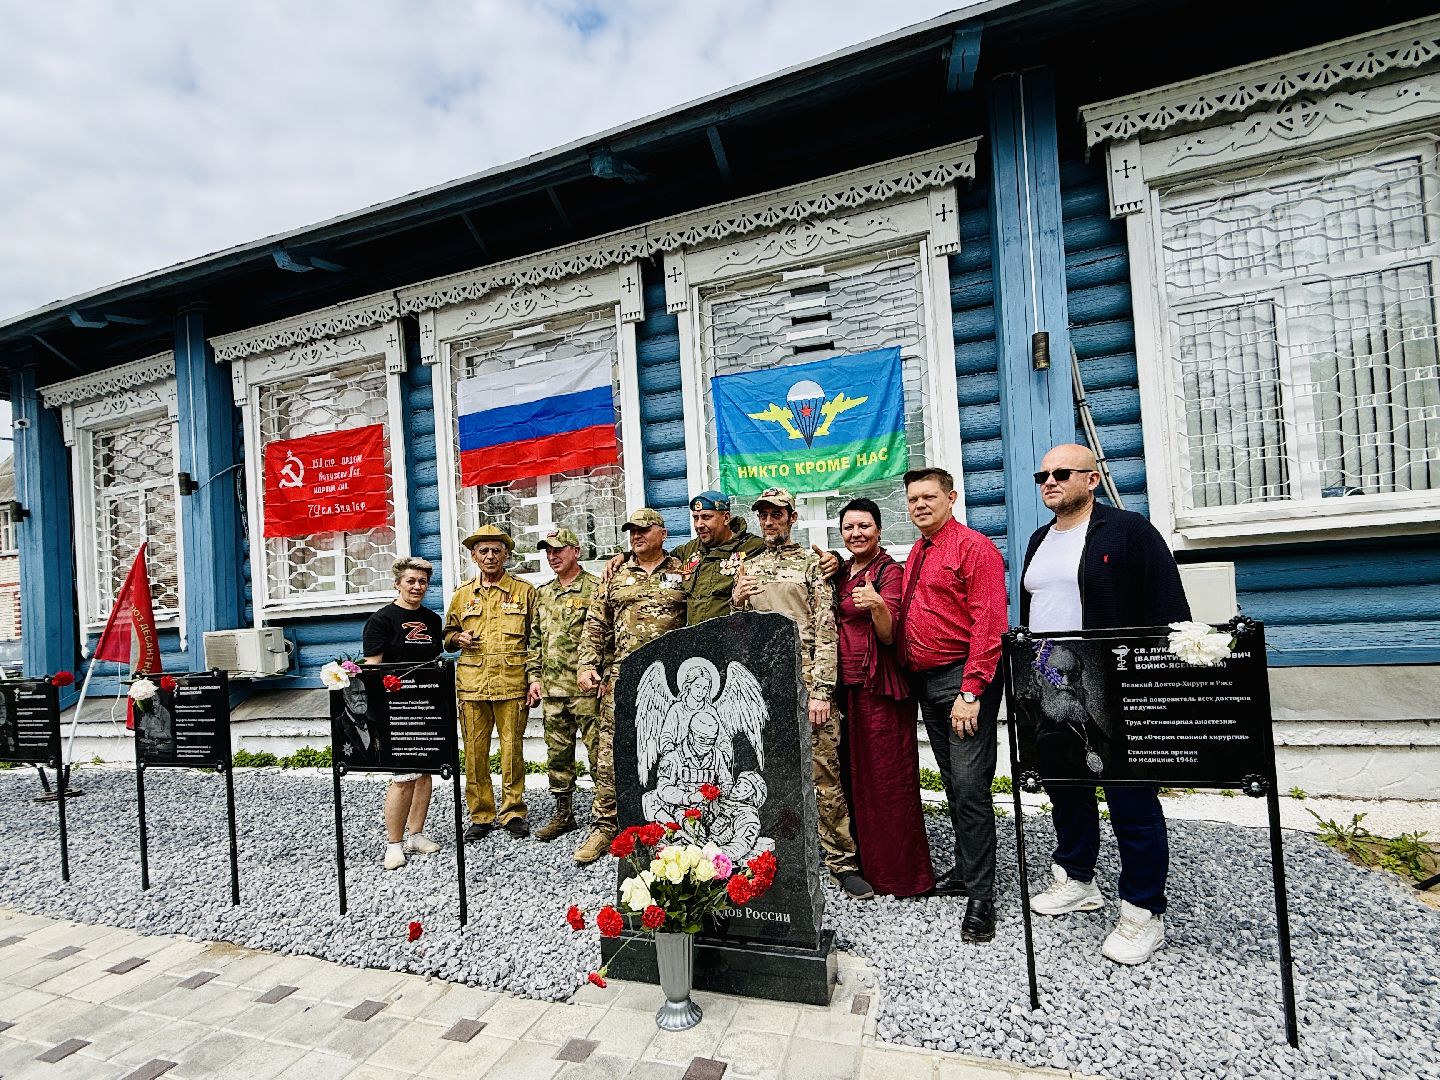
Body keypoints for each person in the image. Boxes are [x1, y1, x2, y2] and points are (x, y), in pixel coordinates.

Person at [1021, 442, 1191, 965]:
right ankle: (1076, 878)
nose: (1050, 481)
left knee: (1129, 798)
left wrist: (1157, 685)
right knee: (1067, 788)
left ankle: (1144, 911)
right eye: (1042, 474)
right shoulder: (1038, 539)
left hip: (1112, 685)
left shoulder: (1129, 531)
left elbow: (1168, 609)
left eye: (1062, 473)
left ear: (1091, 479)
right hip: (1052, 683)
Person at [731, 486, 873, 900]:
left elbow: (827, 630)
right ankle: (775, 852)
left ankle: (841, 861)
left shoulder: (813, 565)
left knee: (823, 774)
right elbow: (740, 633)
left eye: (777, 514)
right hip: (761, 689)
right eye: (763, 515)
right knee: (761, 774)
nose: (770, 521)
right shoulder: (748, 566)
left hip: (806, 685)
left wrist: (822, 691)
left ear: (792, 518)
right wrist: (737, 601)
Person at [896, 467, 1008, 942]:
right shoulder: (919, 551)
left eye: (929, 496)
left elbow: (989, 623)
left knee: (969, 783)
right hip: (927, 682)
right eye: (913, 499)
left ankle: (982, 896)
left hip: (962, 679)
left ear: (951, 497)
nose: (920, 504)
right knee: (953, 781)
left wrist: (971, 691)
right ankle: (965, 871)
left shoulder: (974, 547)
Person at [574, 508, 688, 864]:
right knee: (611, 752)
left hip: (672, 682)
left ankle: (678, 822)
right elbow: (596, 624)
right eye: (631, 531)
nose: (636, 535)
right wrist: (587, 663)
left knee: (675, 749)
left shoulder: (684, 571)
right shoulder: (615, 574)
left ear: (663, 533)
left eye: (643, 529)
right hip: (622, 678)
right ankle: (605, 825)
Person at [833, 497, 935, 898]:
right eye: (849, 528)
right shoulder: (840, 571)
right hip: (844, 685)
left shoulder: (889, 572)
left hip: (878, 684)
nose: (856, 534)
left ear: (879, 529)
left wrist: (876, 605)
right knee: (851, 776)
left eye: (864, 526)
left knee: (886, 777)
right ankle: (857, 861)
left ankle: (899, 873)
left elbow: (891, 634)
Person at [603, 489, 838, 621]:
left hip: (731, 643)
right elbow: (656, 558)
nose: (699, 525)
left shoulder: (753, 548)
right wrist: (624, 555)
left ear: (725, 518)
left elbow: (787, 556)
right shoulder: (686, 552)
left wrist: (834, 557)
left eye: (706, 517)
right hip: (693, 645)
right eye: (696, 518)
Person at [443, 526, 541, 842]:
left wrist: (533, 679)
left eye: (496, 550)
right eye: (483, 551)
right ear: (474, 556)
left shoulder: (525, 592)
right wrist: (457, 637)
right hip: (472, 684)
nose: (489, 556)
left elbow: (537, 639)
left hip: (512, 682)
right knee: (474, 752)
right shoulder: (461, 595)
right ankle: (481, 814)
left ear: (506, 554)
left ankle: (513, 811)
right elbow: (446, 636)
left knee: (512, 751)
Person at [362, 556, 445, 870]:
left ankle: (416, 834)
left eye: (423, 581)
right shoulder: (381, 621)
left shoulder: (433, 620)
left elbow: (433, 663)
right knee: (403, 777)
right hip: (395, 708)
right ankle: (393, 844)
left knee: (424, 773)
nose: (417, 586)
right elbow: (372, 669)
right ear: (397, 583)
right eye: (411, 581)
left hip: (428, 705)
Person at [528, 528, 601, 843]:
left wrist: (603, 676)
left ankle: (606, 816)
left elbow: (606, 635)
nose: (552, 556)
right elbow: (534, 640)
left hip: (586, 689)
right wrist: (533, 678)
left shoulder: (596, 588)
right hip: (553, 691)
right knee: (558, 755)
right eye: (548, 551)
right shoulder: (543, 593)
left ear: (576, 551)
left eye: (559, 549)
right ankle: (564, 813)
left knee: (600, 753)